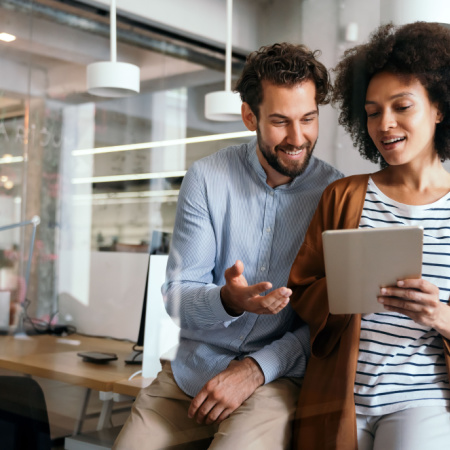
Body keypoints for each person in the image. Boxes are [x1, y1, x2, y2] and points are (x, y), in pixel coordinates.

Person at [113, 42, 342, 450]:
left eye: (308, 119)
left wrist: (255, 368)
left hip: (274, 377)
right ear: (249, 116)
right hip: (191, 373)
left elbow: (330, 322)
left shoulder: (335, 194)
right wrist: (228, 300)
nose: (297, 137)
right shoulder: (206, 178)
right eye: (279, 121)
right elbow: (177, 297)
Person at [288, 21, 450, 450]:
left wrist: (439, 315)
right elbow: (301, 289)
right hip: (340, 396)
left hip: (423, 401)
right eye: (373, 111)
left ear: (439, 108)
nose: (385, 123)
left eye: (402, 106)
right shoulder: (344, 195)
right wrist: (346, 290)